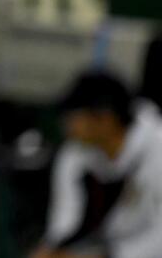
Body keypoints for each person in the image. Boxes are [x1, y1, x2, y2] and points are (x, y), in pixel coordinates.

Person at [31, 71, 162, 258]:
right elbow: (66, 217)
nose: (66, 125)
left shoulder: (157, 150)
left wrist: (108, 255)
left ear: (105, 118)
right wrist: (53, 248)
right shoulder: (74, 153)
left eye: (74, 116)